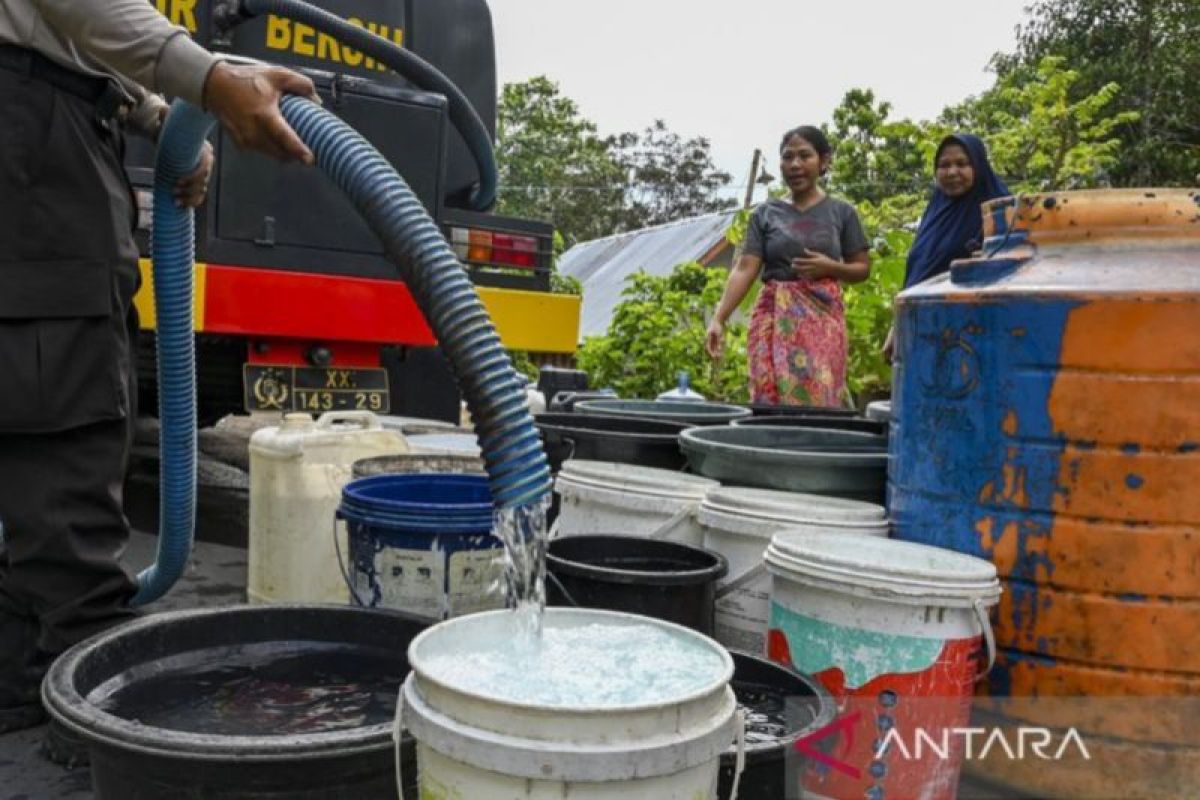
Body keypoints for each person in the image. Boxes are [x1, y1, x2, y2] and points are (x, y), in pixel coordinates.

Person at [0, 0, 318, 736]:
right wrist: (210, 80)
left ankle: (22, 693)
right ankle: (88, 734)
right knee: (60, 407)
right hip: (29, 141)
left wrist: (147, 109)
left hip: (43, 121)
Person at [706, 126, 871, 407]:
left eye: (805, 156)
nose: (795, 165)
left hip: (822, 319)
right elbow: (745, 268)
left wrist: (830, 267)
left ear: (824, 161)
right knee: (767, 395)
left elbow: (862, 268)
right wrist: (719, 318)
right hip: (772, 316)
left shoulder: (842, 213)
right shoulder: (765, 214)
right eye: (788, 157)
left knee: (818, 398)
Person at [883, 133, 1009, 361]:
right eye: (944, 165)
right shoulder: (937, 209)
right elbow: (920, 271)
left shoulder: (999, 212)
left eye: (962, 164)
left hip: (973, 333)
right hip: (923, 325)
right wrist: (898, 323)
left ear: (978, 166)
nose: (952, 172)